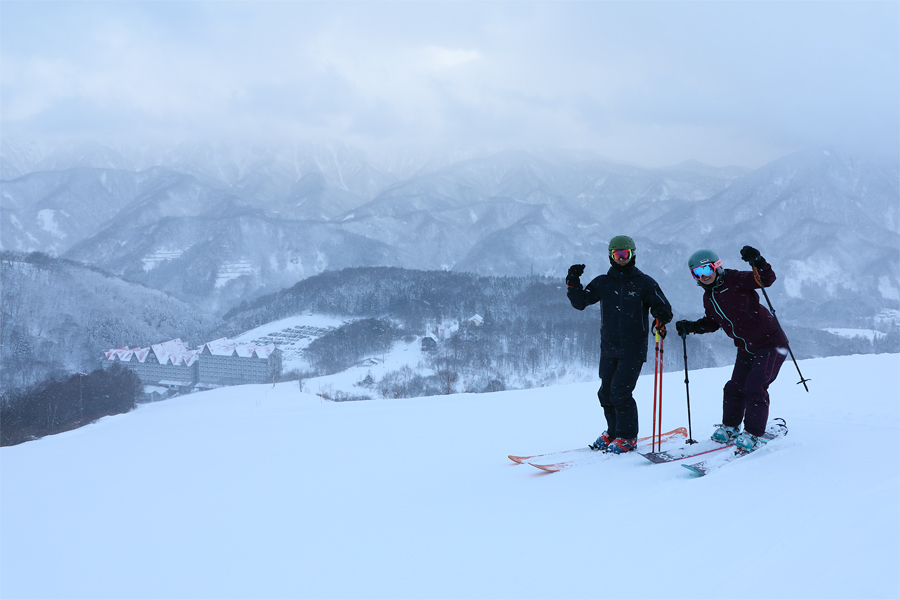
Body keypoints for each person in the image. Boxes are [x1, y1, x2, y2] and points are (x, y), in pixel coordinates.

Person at [675, 246, 788, 453]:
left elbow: (766, 279)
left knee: (755, 387)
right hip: (746, 347)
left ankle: (753, 434)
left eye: (706, 270)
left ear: (717, 267)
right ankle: (730, 428)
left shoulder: (736, 279)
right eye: (697, 273)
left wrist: (758, 261)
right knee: (734, 387)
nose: (703, 276)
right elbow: (712, 322)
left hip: (771, 344)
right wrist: (692, 327)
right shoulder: (709, 297)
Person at [566, 235, 673, 454]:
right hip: (609, 347)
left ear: (633, 255)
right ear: (610, 256)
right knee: (605, 392)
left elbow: (663, 307)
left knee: (620, 391)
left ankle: (627, 437)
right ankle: (614, 432)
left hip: (633, 349)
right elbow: (580, 302)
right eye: (618, 254)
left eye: (626, 254)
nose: (622, 259)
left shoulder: (644, 283)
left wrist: (660, 314)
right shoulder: (603, 283)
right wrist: (573, 282)